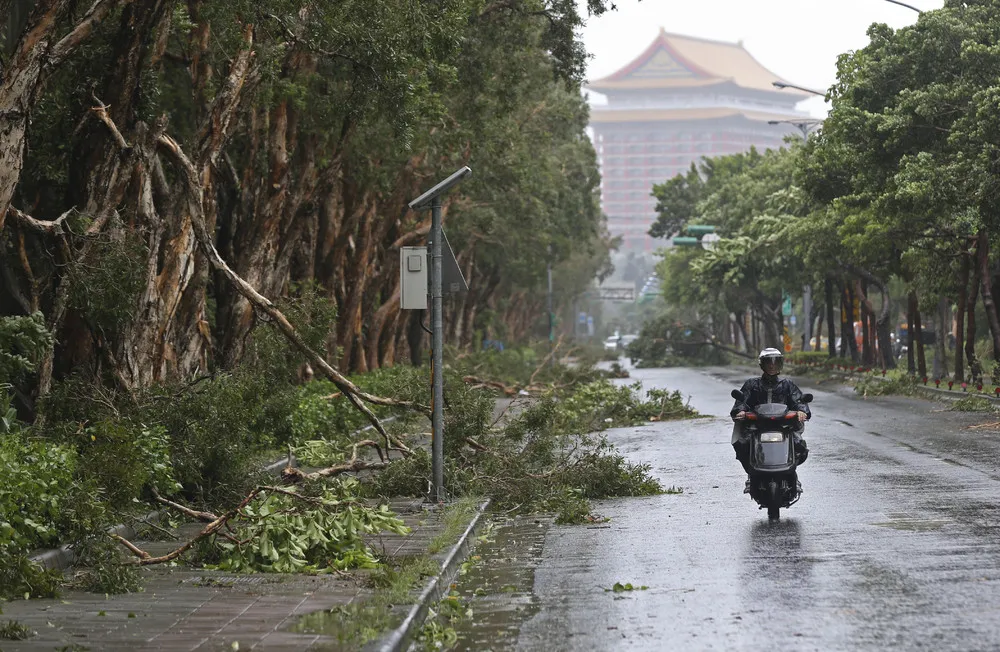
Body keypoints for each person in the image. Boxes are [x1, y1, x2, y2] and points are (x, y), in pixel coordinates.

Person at [731, 348, 811, 492]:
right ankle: (751, 475)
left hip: (784, 426)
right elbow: (742, 401)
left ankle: (793, 475)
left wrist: (801, 410)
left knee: (799, 445)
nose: (772, 365)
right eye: (768, 362)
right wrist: (741, 410)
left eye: (775, 362)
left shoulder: (787, 384)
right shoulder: (751, 384)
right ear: (762, 364)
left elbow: (799, 400)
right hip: (757, 427)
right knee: (741, 443)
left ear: (780, 364)